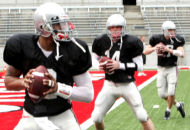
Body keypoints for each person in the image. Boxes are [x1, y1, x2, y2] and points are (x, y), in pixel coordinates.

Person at [3, 2, 94, 130]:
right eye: (59, 24)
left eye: (64, 22)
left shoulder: (75, 49)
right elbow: (8, 81)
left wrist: (58, 88)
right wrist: (25, 82)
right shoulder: (21, 45)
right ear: (44, 27)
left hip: (62, 115)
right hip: (31, 116)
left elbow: (87, 94)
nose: (65, 27)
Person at [91, 14, 154, 130]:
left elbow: (140, 67)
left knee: (142, 115)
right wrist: (98, 65)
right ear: (108, 28)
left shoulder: (132, 41)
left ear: (123, 28)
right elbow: (93, 58)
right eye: (112, 27)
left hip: (127, 84)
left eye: (118, 27)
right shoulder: (101, 40)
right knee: (96, 117)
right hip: (109, 84)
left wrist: (119, 65)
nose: (115, 30)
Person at [144, 20, 185, 120]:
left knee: (171, 92)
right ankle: (179, 105)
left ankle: (168, 111)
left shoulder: (178, 39)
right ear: (164, 30)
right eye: (170, 30)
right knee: (162, 94)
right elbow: (145, 51)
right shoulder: (156, 39)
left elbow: (182, 54)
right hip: (161, 68)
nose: (172, 32)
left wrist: (168, 50)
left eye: (173, 30)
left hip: (172, 68)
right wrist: (155, 48)